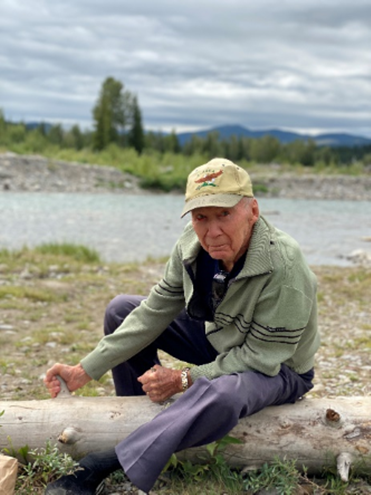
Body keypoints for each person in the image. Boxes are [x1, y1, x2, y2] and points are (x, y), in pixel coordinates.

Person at [44, 158, 320, 495]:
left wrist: (182, 379)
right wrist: (84, 370)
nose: (212, 230)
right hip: (220, 340)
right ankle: (142, 425)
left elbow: (260, 358)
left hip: (279, 369)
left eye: (224, 214)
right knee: (122, 310)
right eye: (201, 217)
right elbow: (154, 310)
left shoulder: (285, 266)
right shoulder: (191, 246)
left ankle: (105, 463)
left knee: (226, 392)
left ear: (253, 211)